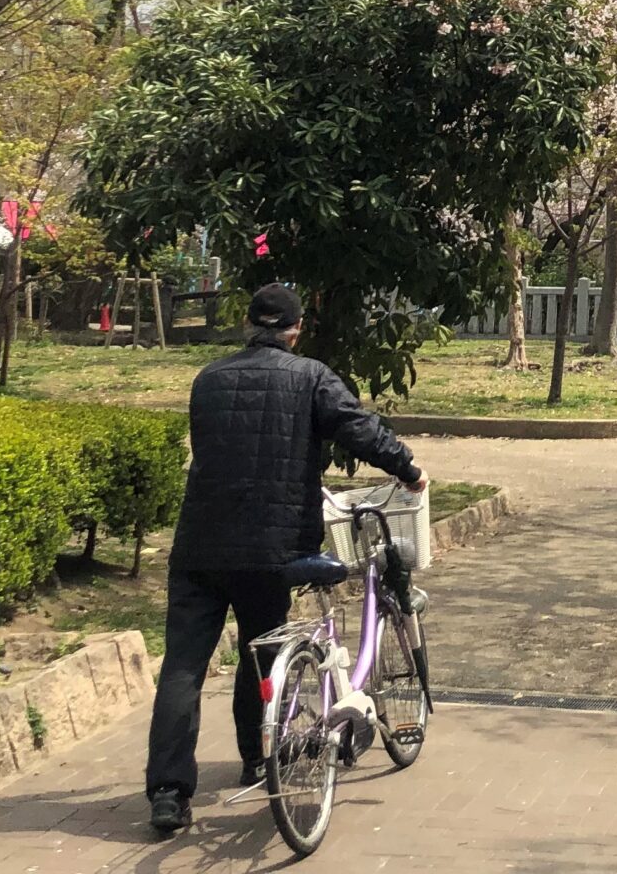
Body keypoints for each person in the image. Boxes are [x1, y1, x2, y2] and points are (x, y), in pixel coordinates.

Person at [145, 283, 425, 836]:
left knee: (182, 667)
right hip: (268, 549)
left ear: (249, 325)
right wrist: (407, 467)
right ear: (294, 329)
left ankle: (168, 793)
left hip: (199, 546)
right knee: (262, 655)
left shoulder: (209, 379)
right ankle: (256, 756)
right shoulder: (311, 377)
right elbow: (359, 430)